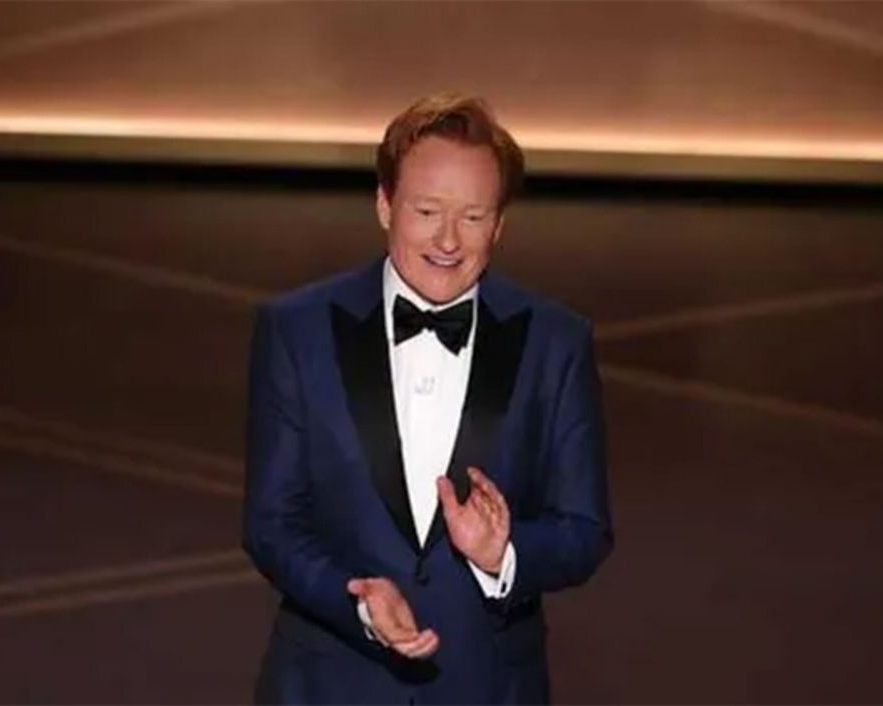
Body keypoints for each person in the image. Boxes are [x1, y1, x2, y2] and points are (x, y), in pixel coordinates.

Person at [243, 92, 613, 704]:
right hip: (328, 685)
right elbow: (272, 523)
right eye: (426, 211)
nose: (448, 240)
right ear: (384, 204)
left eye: (473, 217)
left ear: (499, 224)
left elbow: (585, 530)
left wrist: (504, 554)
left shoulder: (556, 342)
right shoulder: (297, 330)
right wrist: (356, 601)